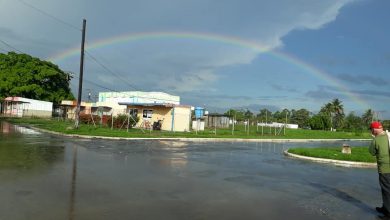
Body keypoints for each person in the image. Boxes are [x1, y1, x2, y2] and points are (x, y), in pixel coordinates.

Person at [369, 121, 390, 216]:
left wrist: (374, 139)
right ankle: (385, 207)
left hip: (385, 169)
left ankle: (387, 211)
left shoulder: (377, 140)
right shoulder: (388, 136)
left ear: (374, 130)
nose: (371, 131)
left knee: (386, 189)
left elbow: (371, 152)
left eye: (371, 129)